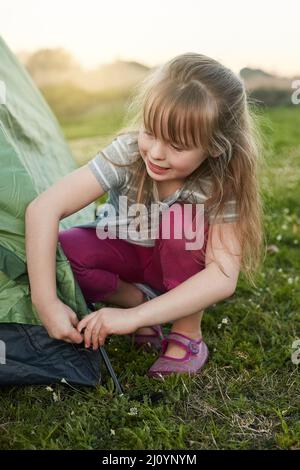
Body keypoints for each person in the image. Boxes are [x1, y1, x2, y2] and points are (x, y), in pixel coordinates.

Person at [25, 52, 265, 378]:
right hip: (129, 253)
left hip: (183, 264)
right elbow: (43, 208)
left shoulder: (220, 183)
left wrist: (132, 321)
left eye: (177, 146)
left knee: (182, 224)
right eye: (150, 132)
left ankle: (186, 334)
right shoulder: (127, 154)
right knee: (65, 250)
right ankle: (139, 303)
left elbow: (222, 276)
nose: (155, 152)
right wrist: (46, 303)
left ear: (215, 146)